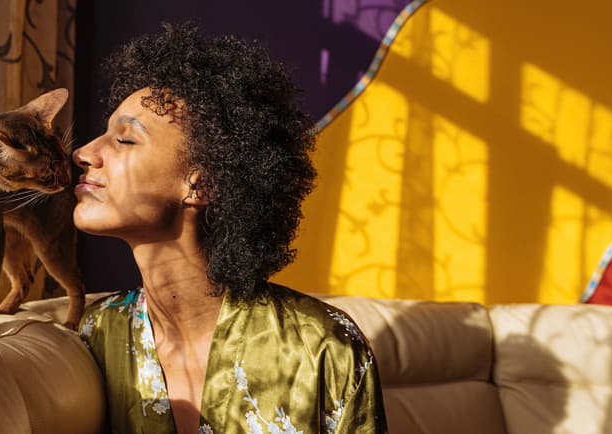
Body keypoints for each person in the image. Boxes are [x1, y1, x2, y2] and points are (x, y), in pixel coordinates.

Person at [73, 22, 387, 434]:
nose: (83, 152)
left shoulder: (323, 349)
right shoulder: (99, 334)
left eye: (125, 140)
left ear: (200, 183)